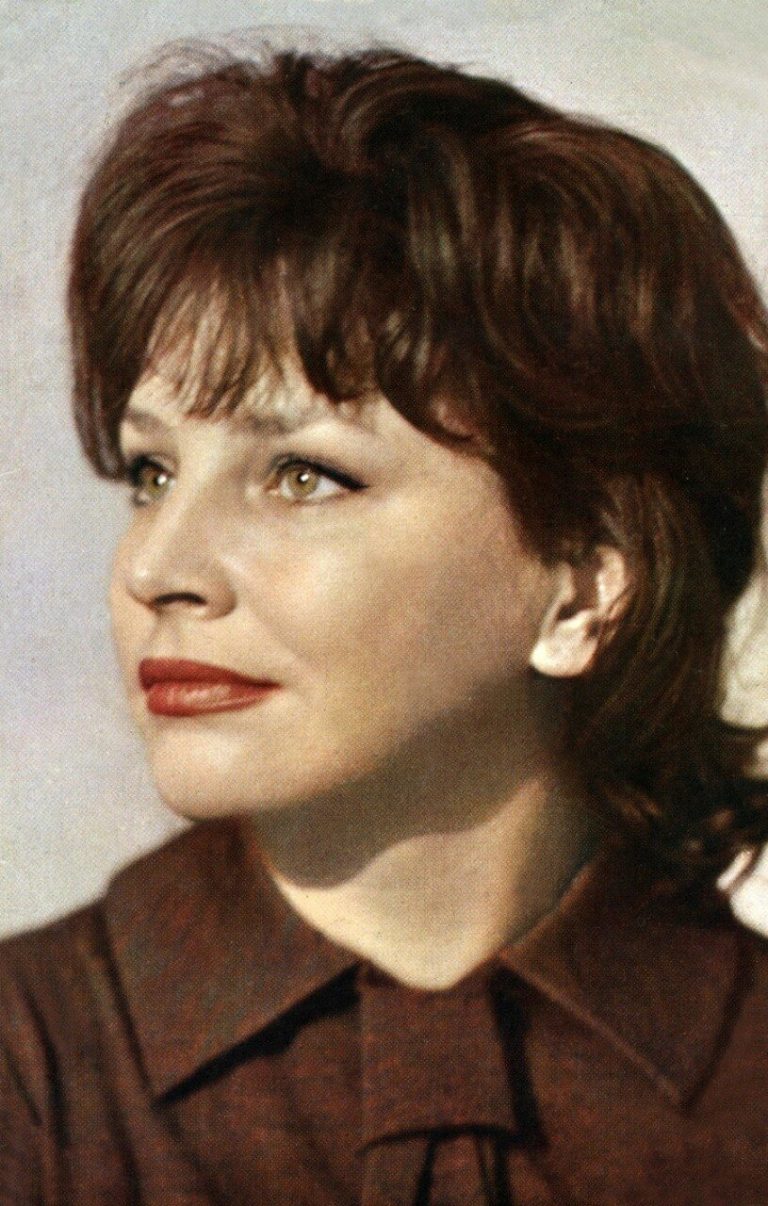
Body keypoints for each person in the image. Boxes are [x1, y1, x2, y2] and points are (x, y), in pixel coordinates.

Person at [2, 43, 768, 1205]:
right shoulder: (27, 1073)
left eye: (304, 475)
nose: (156, 568)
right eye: (153, 473)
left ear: (582, 588)